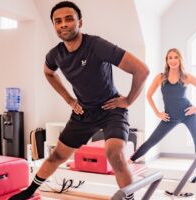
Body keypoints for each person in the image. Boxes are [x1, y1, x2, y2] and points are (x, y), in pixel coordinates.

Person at [9, 1, 149, 200]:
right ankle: (30, 191)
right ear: (54, 26)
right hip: (83, 113)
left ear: (79, 22)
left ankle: (130, 199)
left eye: (68, 19)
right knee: (57, 155)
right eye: (58, 21)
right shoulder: (56, 54)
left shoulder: (96, 45)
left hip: (111, 109)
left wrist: (127, 101)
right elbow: (48, 73)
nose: (63, 24)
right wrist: (69, 100)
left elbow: (141, 70)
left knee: (115, 155)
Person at [129, 48, 196, 171]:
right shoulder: (160, 77)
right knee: (152, 140)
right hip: (169, 117)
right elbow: (149, 95)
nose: (173, 60)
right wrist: (157, 112)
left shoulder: (186, 77)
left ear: (180, 60)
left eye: (176, 57)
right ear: (166, 60)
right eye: (170, 57)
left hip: (188, 114)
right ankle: (130, 160)